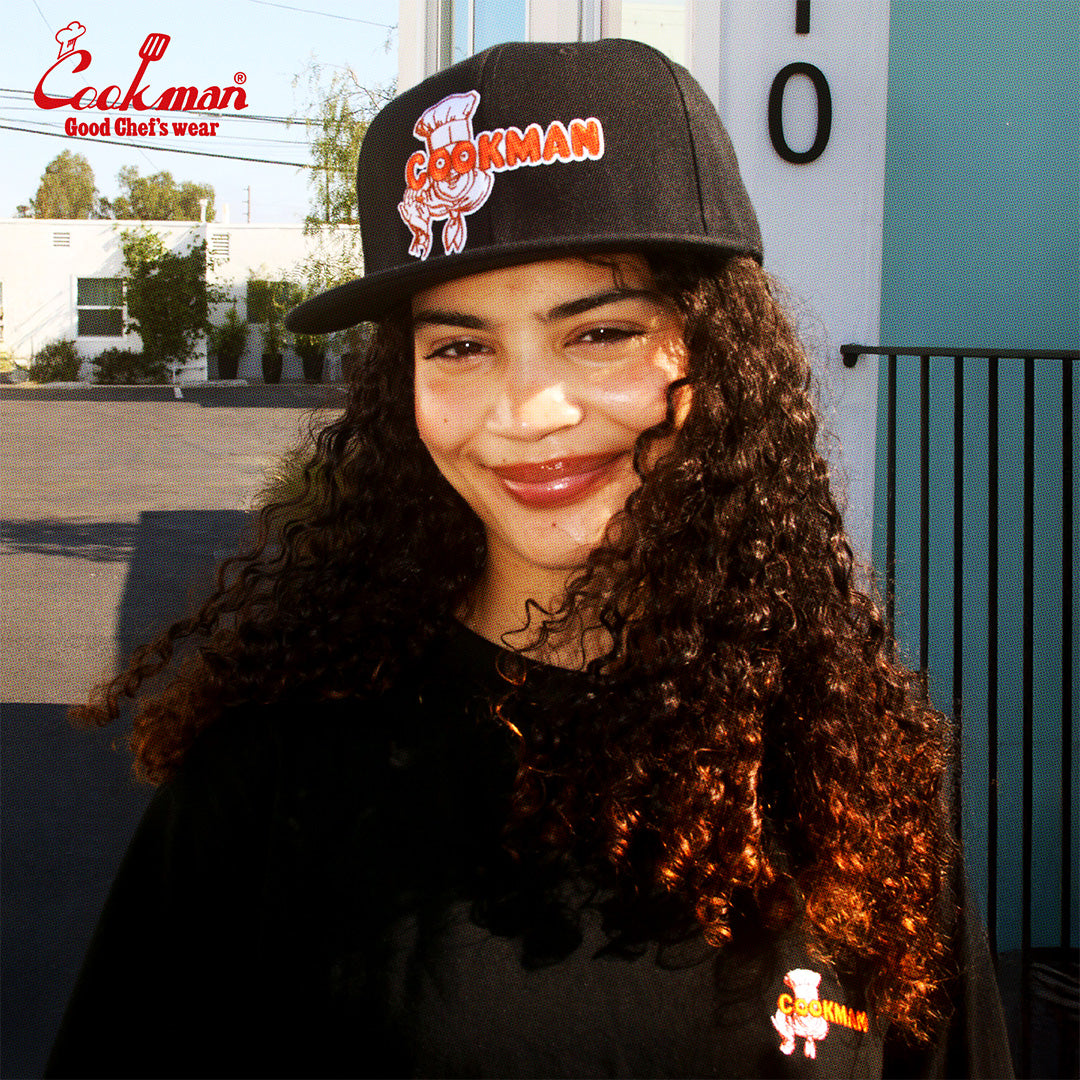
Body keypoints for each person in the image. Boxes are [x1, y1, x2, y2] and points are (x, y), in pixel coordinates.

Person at [47, 39, 1013, 1079]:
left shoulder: (844, 769)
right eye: (460, 346)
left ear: (717, 352)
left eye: (599, 333)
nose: (528, 413)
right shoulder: (270, 777)